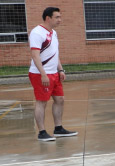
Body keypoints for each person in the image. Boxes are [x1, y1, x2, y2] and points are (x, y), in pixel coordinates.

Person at [29, 7, 78, 142]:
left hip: (54, 73)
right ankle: (42, 132)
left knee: (60, 100)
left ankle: (58, 128)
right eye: (57, 17)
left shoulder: (53, 33)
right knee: (41, 102)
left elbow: (54, 53)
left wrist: (60, 70)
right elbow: (35, 55)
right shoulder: (37, 33)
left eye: (60, 17)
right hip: (40, 74)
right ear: (48, 18)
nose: (60, 20)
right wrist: (43, 74)